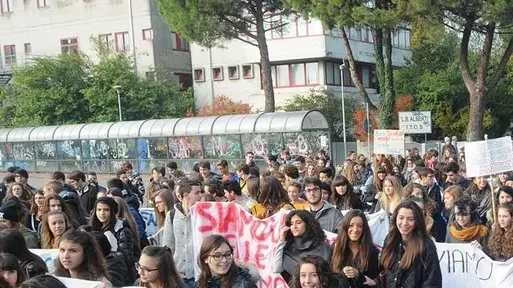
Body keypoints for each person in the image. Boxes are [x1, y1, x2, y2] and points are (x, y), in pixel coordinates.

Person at [380, 200, 442, 288]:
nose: (404, 223)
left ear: (417, 221)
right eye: (401, 218)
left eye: (410, 219)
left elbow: (432, 282)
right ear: (395, 218)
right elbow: (383, 270)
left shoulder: (426, 245)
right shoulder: (390, 239)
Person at [163, 179, 202, 287]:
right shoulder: (171, 215)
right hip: (178, 276)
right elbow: (168, 247)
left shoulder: (203, 215)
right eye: (197, 193)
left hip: (199, 275)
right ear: (186, 195)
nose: (200, 196)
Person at [89, 197, 138, 283]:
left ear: (113, 212)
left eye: (106, 210)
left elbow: (127, 258)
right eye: (99, 210)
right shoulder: (92, 228)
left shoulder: (122, 230)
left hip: (119, 274)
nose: (102, 213)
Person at [274, 210, 331, 283]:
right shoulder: (287, 247)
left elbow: (327, 273)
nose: (294, 226)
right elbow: (277, 269)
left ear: (307, 224)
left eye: (298, 222)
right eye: (291, 224)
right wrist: (281, 240)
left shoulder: (322, 246)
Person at [331, 210, 379, 287]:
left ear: (364, 229)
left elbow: (373, 282)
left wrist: (358, 275)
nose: (355, 230)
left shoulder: (372, 252)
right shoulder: (335, 248)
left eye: (360, 226)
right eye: (351, 225)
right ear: (345, 227)